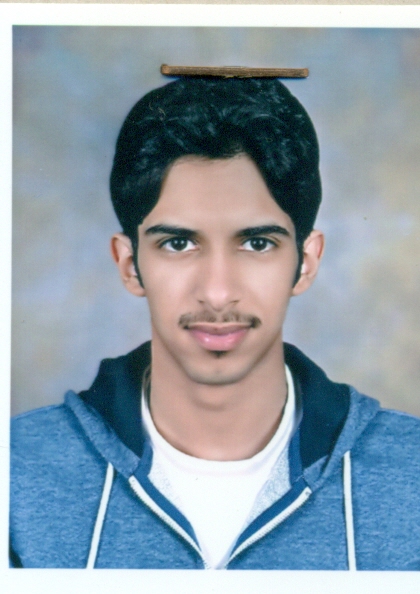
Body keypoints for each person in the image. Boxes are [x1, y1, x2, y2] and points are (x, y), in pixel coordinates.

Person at [10, 77, 420, 570]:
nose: (218, 292)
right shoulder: (16, 473)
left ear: (306, 262)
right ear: (130, 264)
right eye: (179, 244)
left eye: (257, 243)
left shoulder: (411, 474)